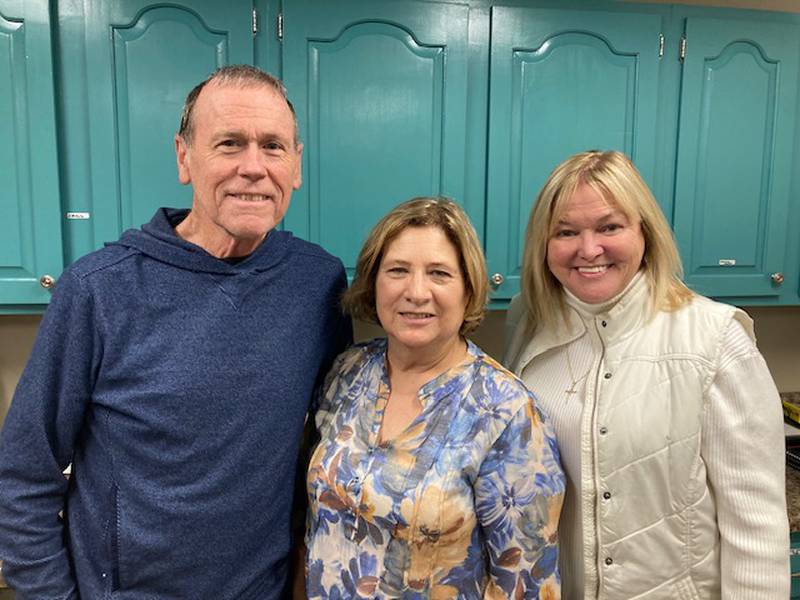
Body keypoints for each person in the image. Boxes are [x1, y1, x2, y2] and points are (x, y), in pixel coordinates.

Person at [0, 65, 351, 599]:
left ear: (296, 165)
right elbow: (23, 475)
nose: (253, 167)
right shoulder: (98, 290)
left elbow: (333, 446)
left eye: (273, 146)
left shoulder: (317, 283)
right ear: (184, 157)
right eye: (229, 143)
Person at [504, 150, 789, 599]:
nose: (588, 249)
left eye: (609, 226)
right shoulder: (529, 322)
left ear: (645, 232)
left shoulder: (714, 337)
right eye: (566, 232)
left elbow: (755, 528)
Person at [304, 197, 565, 598]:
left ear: (468, 288)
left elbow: (526, 584)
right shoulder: (347, 372)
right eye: (398, 271)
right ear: (374, 283)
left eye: (439, 273)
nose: (416, 291)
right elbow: (314, 532)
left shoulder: (508, 412)